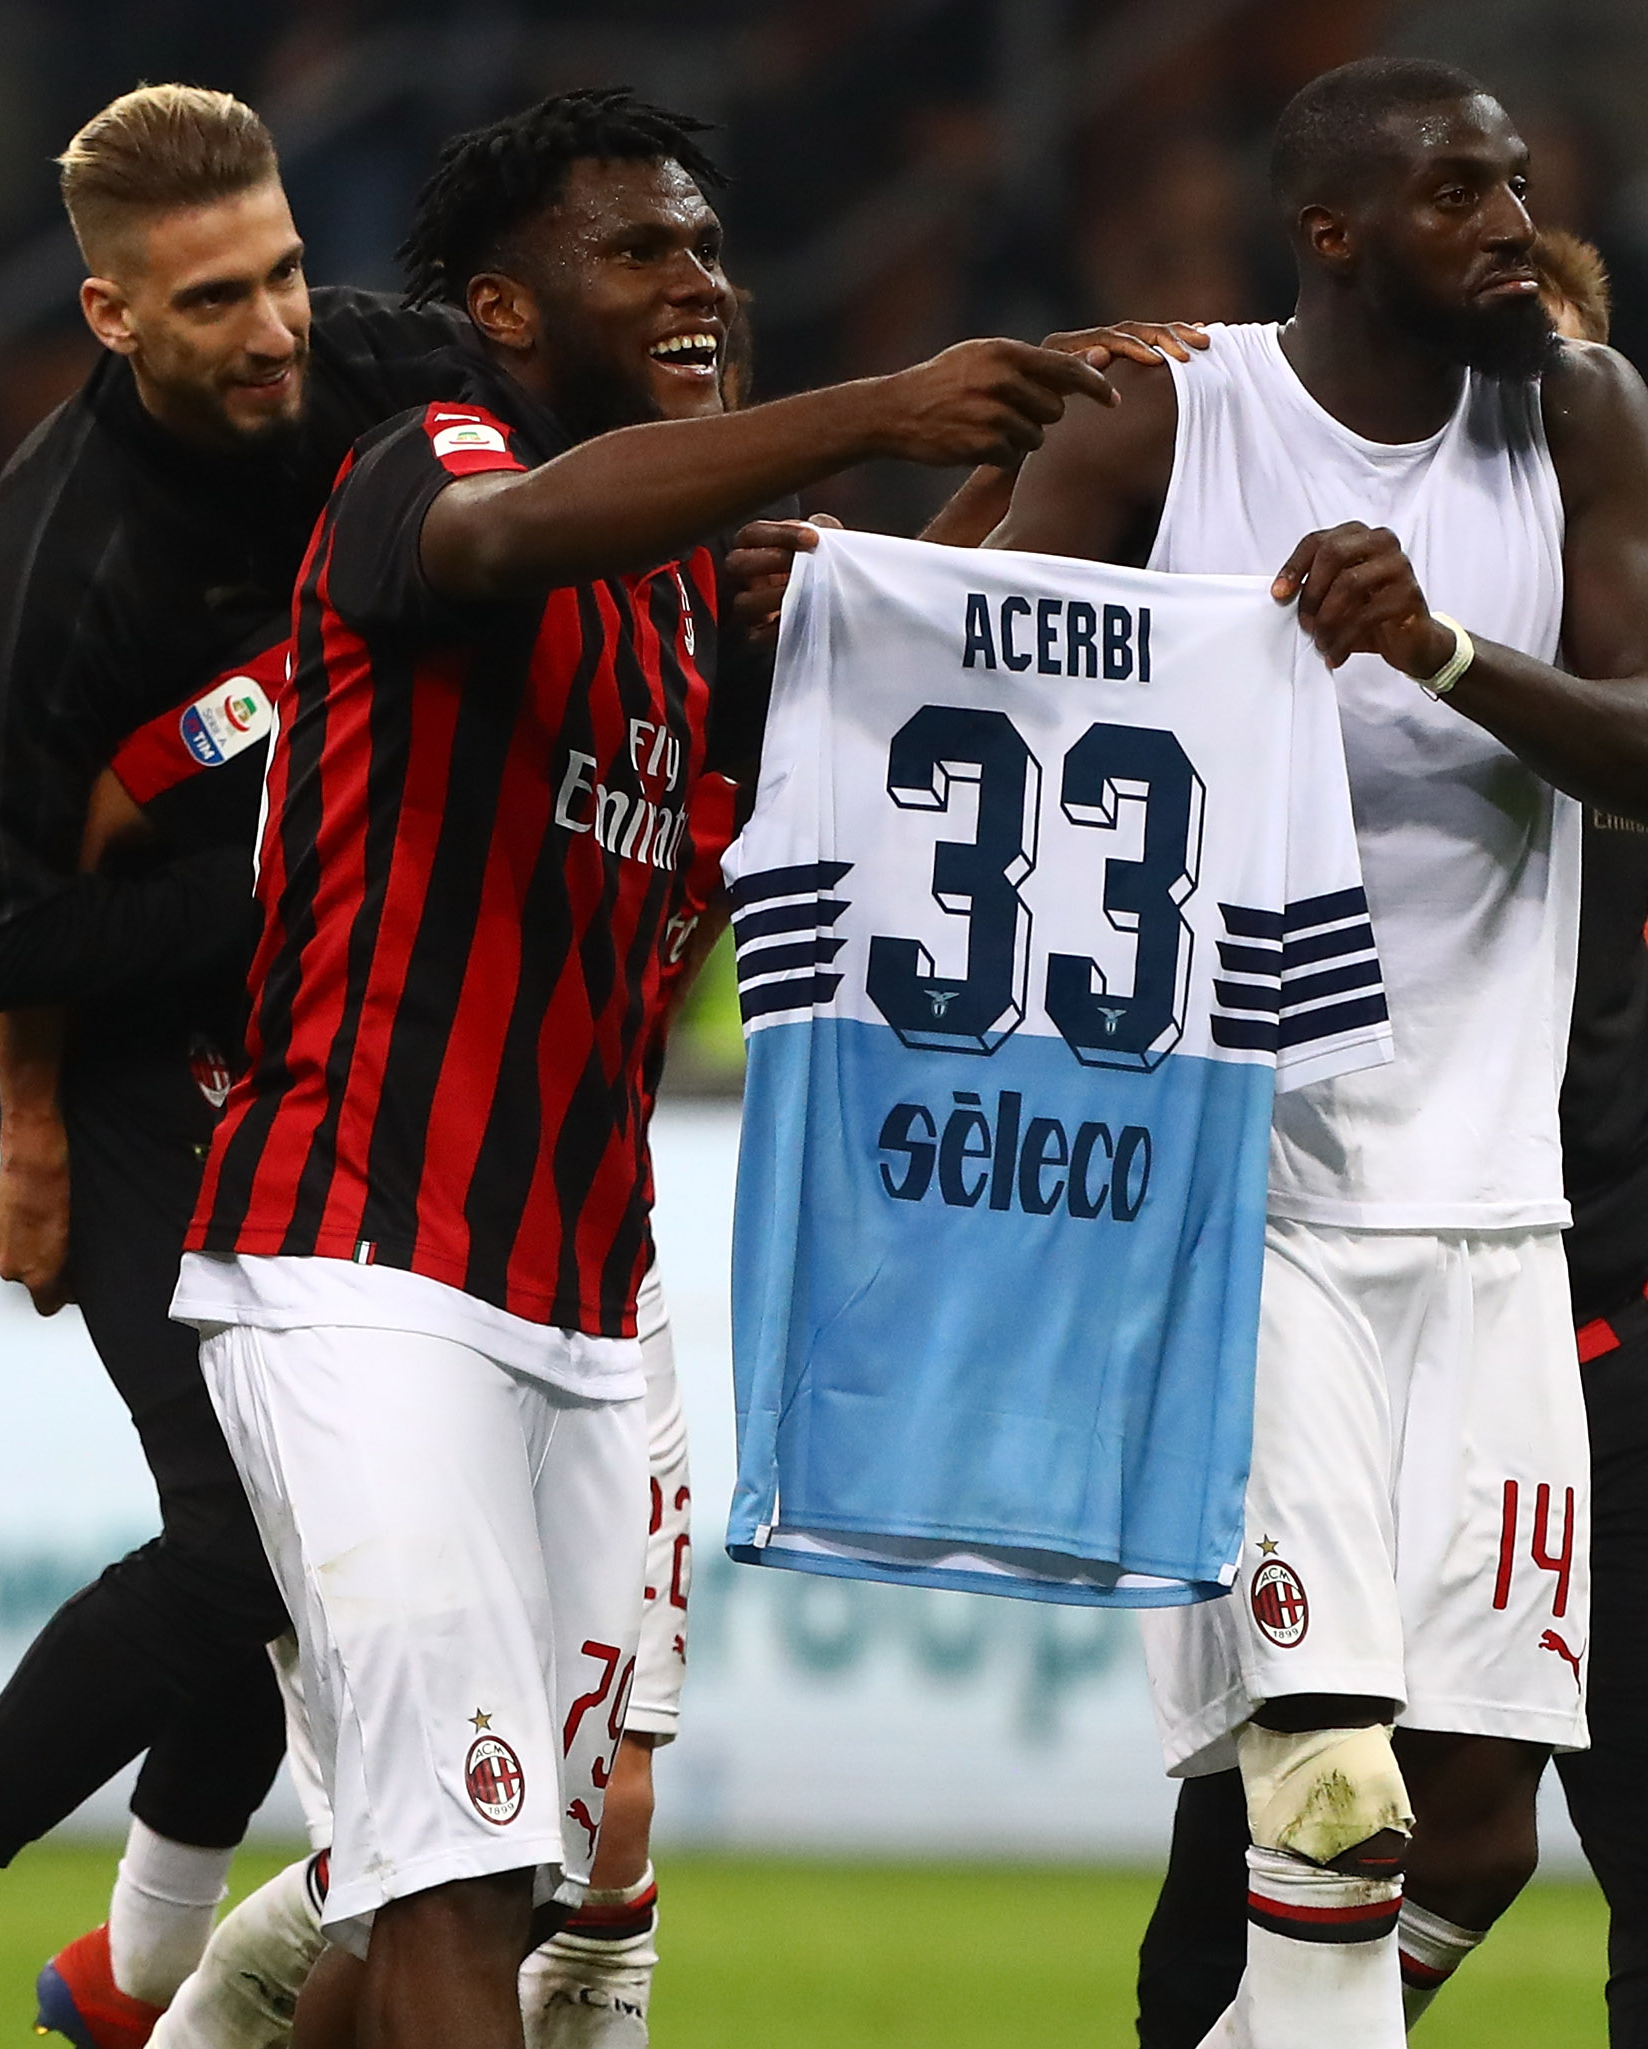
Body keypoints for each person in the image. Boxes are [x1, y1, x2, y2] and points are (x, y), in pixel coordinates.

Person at [978, 58, 1648, 2046]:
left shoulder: (1583, 535)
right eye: (1463, 194)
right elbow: (971, 678)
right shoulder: (1189, 428)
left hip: (1568, 1297)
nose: (1509, 226)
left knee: (1558, 1829)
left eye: (1520, 188)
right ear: (1337, 234)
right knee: (1338, 1803)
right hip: (1266, 1228)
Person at [161, 84, 1112, 2049]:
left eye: (708, 244)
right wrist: (879, 405)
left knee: (500, 1874)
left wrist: (1060, 438)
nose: (702, 280)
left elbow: (876, 692)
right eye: (642, 250)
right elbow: (505, 535)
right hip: (366, 1259)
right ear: (506, 310)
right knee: (442, 1872)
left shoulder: (689, 593)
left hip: (588, 1300)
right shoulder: (427, 462)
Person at [0, 86, 472, 2049]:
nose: (273, 327)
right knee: (253, 1534)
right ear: (113, 315)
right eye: (211, 301)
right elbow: (4, 928)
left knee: (269, 1560)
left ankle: (141, 1972)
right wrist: (34, 1131)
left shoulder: (375, 368)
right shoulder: (50, 566)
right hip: (111, 1078)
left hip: (301, 1062)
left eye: (281, 269)